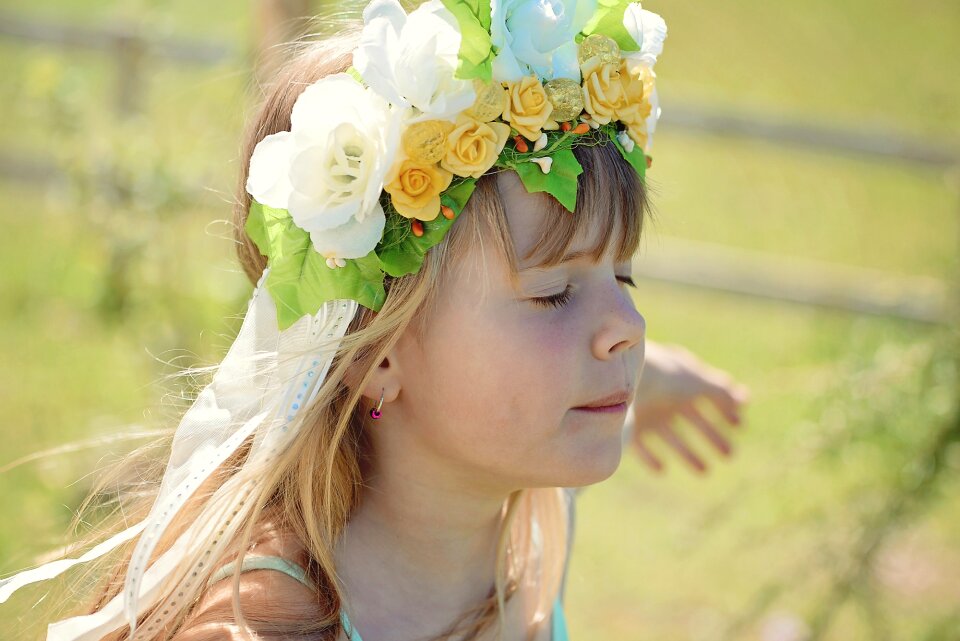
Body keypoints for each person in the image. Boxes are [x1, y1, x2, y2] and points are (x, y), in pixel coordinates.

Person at [0, 2, 747, 639]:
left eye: (623, 275)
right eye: (554, 293)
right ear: (376, 351)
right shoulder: (262, 624)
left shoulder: (511, 518)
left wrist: (643, 382)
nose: (626, 326)